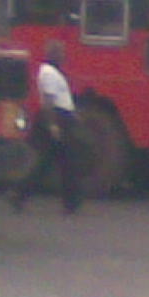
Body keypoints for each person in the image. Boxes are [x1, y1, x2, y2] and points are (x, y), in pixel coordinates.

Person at [13, 40, 86, 213]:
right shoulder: (49, 73)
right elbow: (48, 101)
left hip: (62, 118)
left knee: (48, 162)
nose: (63, 55)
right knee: (67, 161)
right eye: (60, 52)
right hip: (57, 119)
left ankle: (19, 194)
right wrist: (53, 125)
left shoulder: (54, 73)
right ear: (52, 55)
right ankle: (71, 202)